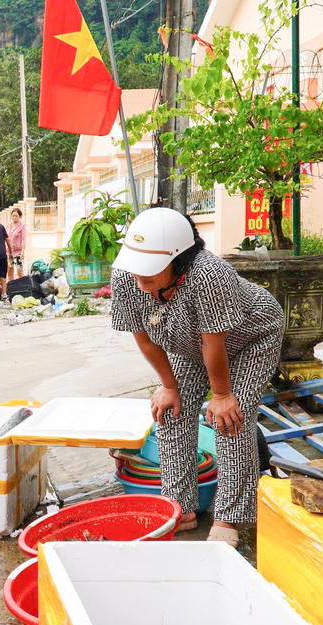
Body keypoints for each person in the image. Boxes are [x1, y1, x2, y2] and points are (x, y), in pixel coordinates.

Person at [110, 208, 284, 546]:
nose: (138, 275)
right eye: (135, 263)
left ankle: (229, 517)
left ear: (179, 258)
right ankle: (181, 507)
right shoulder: (125, 277)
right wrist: (169, 386)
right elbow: (144, 339)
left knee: (230, 418)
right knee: (170, 413)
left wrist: (221, 396)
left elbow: (213, 341)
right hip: (191, 344)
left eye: (150, 267)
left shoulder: (208, 274)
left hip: (252, 337)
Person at [5, 208, 27, 281]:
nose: (14, 217)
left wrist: (22, 252)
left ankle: (23, 287)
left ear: (20, 216)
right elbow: (5, 237)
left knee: (19, 270)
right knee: (10, 270)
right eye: (13, 215)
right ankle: (12, 288)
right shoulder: (8, 225)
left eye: (16, 216)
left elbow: (23, 239)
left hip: (18, 253)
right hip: (9, 253)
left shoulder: (22, 226)